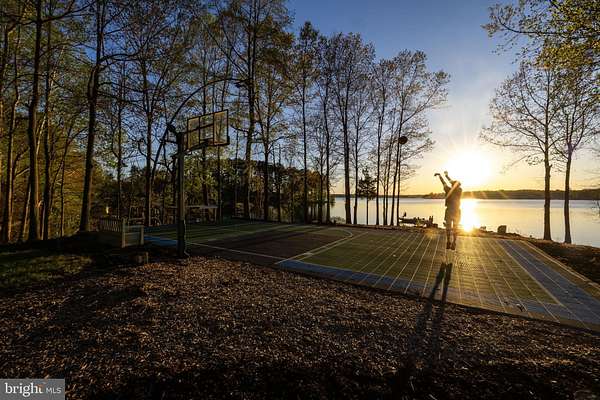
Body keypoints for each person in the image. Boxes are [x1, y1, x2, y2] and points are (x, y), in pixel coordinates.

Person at [434, 171, 462, 250]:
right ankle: (454, 242)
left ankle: (449, 241)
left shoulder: (448, 190)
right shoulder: (459, 190)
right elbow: (450, 182)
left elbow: (444, 183)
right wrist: (446, 176)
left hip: (449, 211)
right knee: (455, 228)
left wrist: (441, 176)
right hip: (456, 211)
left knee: (448, 227)